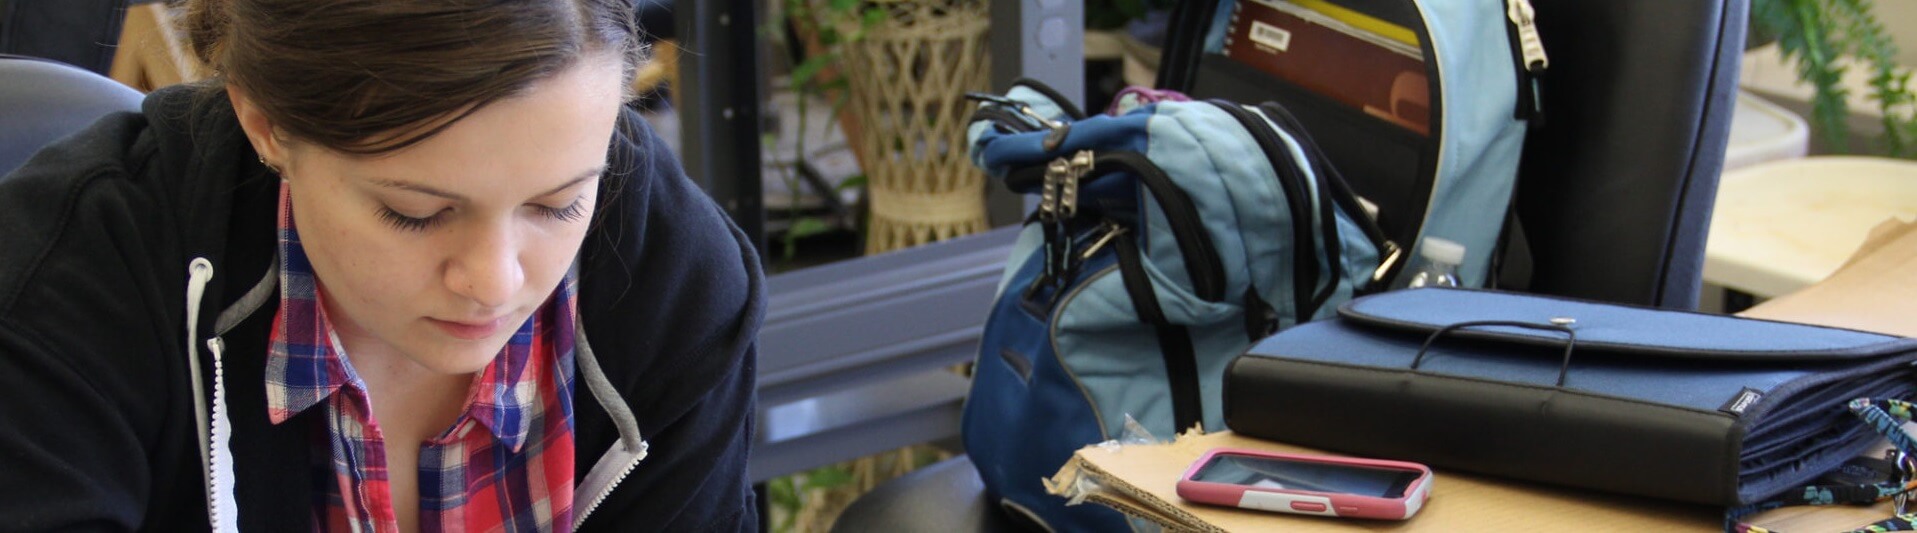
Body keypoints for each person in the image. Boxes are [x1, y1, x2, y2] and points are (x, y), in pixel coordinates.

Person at [0, 0, 763, 531]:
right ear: (266, 125)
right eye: (417, 212)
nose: (496, 281)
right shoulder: (63, 289)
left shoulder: (675, 273)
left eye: (557, 204)